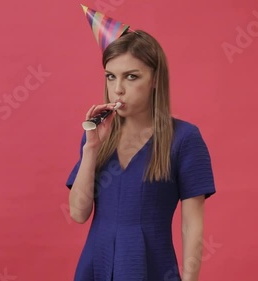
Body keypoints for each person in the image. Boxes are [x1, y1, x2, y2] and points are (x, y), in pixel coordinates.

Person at [65, 5, 216, 281]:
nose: (118, 88)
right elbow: (77, 213)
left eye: (131, 76)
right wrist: (91, 150)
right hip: (95, 265)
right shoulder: (97, 137)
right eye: (111, 76)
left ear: (155, 79)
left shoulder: (184, 138)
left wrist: (190, 278)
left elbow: (192, 223)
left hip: (150, 266)